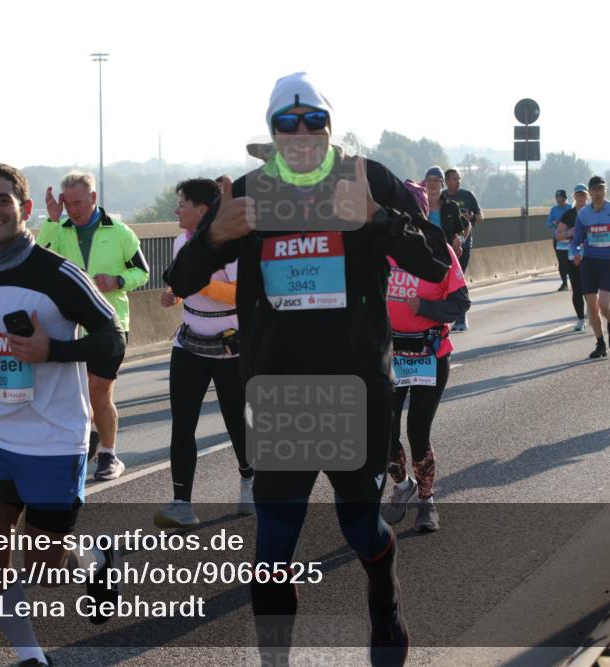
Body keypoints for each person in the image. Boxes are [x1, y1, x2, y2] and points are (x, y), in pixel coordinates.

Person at [164, 72, 450, 666]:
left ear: (329, 125)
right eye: (286, 124)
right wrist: (214, 233)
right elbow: (179, 280)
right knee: (271, 550)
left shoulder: (366, 178)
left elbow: (430, 260)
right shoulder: (249, 191)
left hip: (356, 390)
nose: (300, 133)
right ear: (271, 131)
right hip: (281, 391)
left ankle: (383, 594)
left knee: (360, 530)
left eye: (313, 121)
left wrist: (376, 218)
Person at [0, 163, 127, 666]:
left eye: (2, 200)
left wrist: (54, 352)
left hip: (54, 438)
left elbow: (113, 338)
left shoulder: (58, 274)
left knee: (46, 569)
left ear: (24, 210)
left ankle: (93, 560)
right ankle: (31, 657)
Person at [154, 178, 254, 529]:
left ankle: (248, 479)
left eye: (182, 203)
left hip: (229, 345)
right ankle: (182, 502)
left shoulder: (233, 245)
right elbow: (182, 284)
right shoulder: (181, 241)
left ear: (202, 209)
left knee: (235, 420)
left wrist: (198, 281)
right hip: (189, 343)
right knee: (182, 424)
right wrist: (175, 295)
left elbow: (239, 294)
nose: (176, 210)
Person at [38, 172, 150, 481]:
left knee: (99, 392)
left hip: (110, 324)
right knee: (75, 396)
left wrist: (118, 281)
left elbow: (143, 272)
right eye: (68, 203)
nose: (73, 210)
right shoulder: (58, 230)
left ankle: (109, 455)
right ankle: (83, 445)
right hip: (69, 325)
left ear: (94, 199)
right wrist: (51, 219)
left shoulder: (120, 232)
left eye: (79, 203)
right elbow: (35, 259)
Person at [382, 180, 469, 532]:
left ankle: (426, 500)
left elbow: (460, 303)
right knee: (383, 432)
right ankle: (402, 485)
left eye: (407, 210)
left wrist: (427, 306)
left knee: (418, 431)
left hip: (429, 353)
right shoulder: (380, 251)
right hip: (390, 355)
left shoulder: (440, 251)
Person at [570, 176, 610, 359]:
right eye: (594, 190)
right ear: (589, 192)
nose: (597, 194)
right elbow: (575, 242)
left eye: (601, 190)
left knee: (604, 305)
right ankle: (600, 344)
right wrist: (575, 252)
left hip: (608, 262)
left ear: (605, 191)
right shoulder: (583, 214)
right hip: (589, 263)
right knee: (592, 308)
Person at [443, 168, 483, 331]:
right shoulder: (441, 197)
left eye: (458, 178)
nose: (457, 181)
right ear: (446, 181)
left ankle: (461, 318)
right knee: (444, 280)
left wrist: (470, 218)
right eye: (453, 179)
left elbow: (481, 217)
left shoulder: (468, 195)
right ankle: (445, 317)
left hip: (464, 243)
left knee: (458, 278)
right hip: (445, 244)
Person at [556, 184, 589, 331]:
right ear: (574, 196)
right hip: (573, 255)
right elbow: (559, 235)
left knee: (590, 288)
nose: (581, 197)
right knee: (577, 288)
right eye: (578, 195)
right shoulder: (568, 214)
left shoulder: (592, 212)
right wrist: (570, 233)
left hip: (591, 255)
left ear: (587, 196)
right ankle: (581, 319)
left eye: (583, 195)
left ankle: (593, 313)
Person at [423, 166, 464, 258]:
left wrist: (458, 243)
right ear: (425, 183)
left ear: (442, 184)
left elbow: (460, 233)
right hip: (424, 255)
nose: (432, 183)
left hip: (447, 256)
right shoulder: (418, 207)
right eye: (429, 180)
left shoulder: (451, 207)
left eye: (436, 180)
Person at [547, 189, 572, 289]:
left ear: (565, 198)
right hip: (558, 239)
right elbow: (548, 224)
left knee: (570, 260)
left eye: (561, 198)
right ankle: (564, 283)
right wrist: (554, 223)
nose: (559, 200)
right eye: (557, 198)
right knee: (561, 262)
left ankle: (574, 280)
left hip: (570, 238)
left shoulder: (571, 208)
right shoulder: (554, 209)